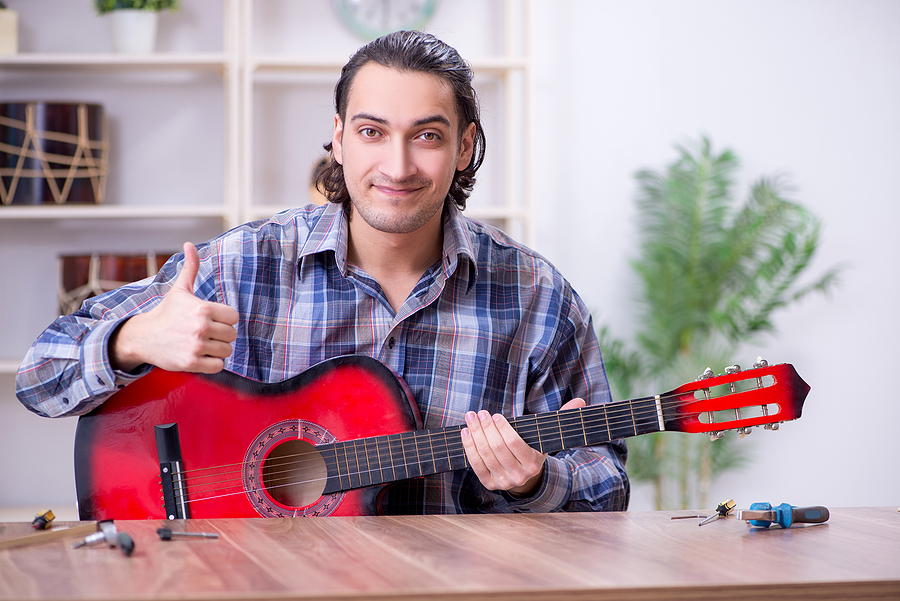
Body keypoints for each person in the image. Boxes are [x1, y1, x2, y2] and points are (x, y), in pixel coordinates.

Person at [16, 31, 629, 514]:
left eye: (428, 137)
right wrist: (132, 341)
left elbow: (609, 486)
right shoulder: (239, 266)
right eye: (372, 132)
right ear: (338, 139)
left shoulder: (538, 297)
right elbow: (39, 378)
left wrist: (538, 481)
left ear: (465, 147)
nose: (398, 164)